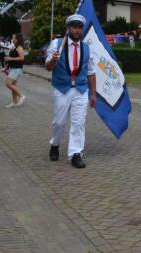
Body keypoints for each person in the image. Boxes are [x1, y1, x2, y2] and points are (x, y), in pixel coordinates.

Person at [45, 14, 96, 169]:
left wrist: (93, 94)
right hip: (62, 89)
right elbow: (48, 67)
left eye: (79, 27)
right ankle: (55, 144)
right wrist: (53, 60)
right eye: (74, 27)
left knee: (79, 123)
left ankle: (76, 154)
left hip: (80, 90)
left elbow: (91, 73)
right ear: (68, 28)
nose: (77, 30)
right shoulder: (57, 44)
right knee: (59, 122)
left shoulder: (87, 48)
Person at [4, 33, 25, 108]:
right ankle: (14, 102)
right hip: (13, 68)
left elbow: (22, 58)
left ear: (17, 39)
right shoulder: (15, 47)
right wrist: (7, 64)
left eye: (14, 38)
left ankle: (21, 96)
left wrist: (10, 58)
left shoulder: (19, 47)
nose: (12, 39)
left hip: (17, 69)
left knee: (8, 84)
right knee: (13, 85)